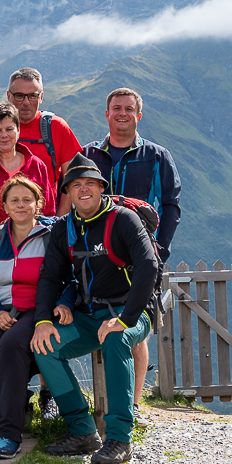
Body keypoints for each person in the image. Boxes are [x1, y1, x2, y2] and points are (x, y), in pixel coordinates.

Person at [31, 155, 158, 464]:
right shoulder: (64, 229)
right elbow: (50, 277)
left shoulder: (124, 219)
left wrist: (125, 319)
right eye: (76, 185)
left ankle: (120, 438)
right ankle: (82, 431)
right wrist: (43, 320)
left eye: (90, 183)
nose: (84, 189)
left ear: (102, 187)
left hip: (133, 311)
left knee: (116, 339)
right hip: (89, 314)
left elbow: (148, 266)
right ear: (68, 193)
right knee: (45, 347)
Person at [80, 87, 181, 421]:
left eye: (128, 109)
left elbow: (171, 206)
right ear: (106, 114)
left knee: (134, 324)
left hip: (140, 255)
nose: (121, 114)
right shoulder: (88, 154)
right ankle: (107, 403)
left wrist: (159, 249)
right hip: (96, 255)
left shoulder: (157, 156)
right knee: (98, 320)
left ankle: (133, 405)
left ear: (139, 115)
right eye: (116, 108)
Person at [0, 175, 75, 460]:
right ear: (4, 206)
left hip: (36, 311)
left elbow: (71, 278)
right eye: (14, 200)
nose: (21, 205)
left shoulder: (50, 237)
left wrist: (63, 304)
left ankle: (8, 433)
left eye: (27, 200)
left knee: (12, 345)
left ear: (38, 204)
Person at [0, 102, 56, 262]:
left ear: (18, 131)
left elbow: (48, 213)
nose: (4, 135)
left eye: (9, 129)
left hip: (33, 250)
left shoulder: (37, 165)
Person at [0, 68, 82, 191]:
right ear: (9, 96)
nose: (26, 102)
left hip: (45, 204)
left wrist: (62, 205)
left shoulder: (57, 127)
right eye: (19, 96)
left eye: (32, 96)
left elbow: (73, 181)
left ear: (41, 97)